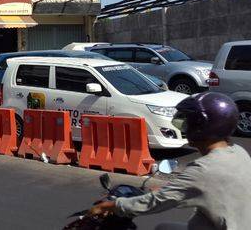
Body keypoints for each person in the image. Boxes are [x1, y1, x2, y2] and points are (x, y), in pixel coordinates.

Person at [88, 92, 251, 230]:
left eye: (189, 123)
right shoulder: (238, 152)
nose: (185, 128)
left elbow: (153, 203)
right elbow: (213, 186)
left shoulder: (203, 169)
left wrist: (110, 205)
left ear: (201, 127)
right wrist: (171, 188)